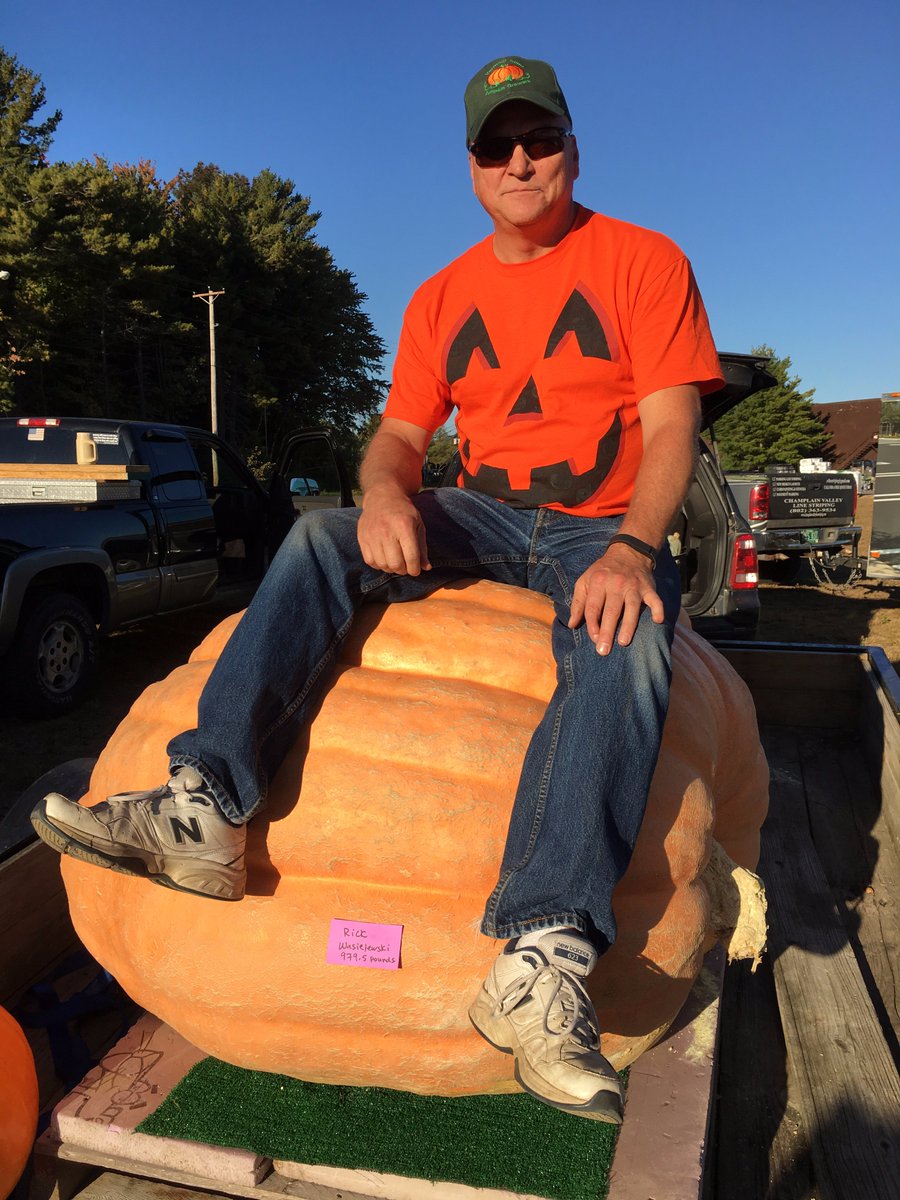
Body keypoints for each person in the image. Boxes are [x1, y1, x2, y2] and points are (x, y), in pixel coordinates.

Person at [32, 56, 724, 1125]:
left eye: (538, 139)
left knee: (625, 641)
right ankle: (206, 807)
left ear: (572, 147)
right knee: (321, 543)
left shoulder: (642, 261)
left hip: (602, 525)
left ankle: (541, 958)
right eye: (498, 147)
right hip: (485, 512)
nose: (520, 161)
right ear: (473, 168)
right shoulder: (445, 295)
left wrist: (638, 544)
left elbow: (673, 422)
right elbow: (401, 433)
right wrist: (388, 493)